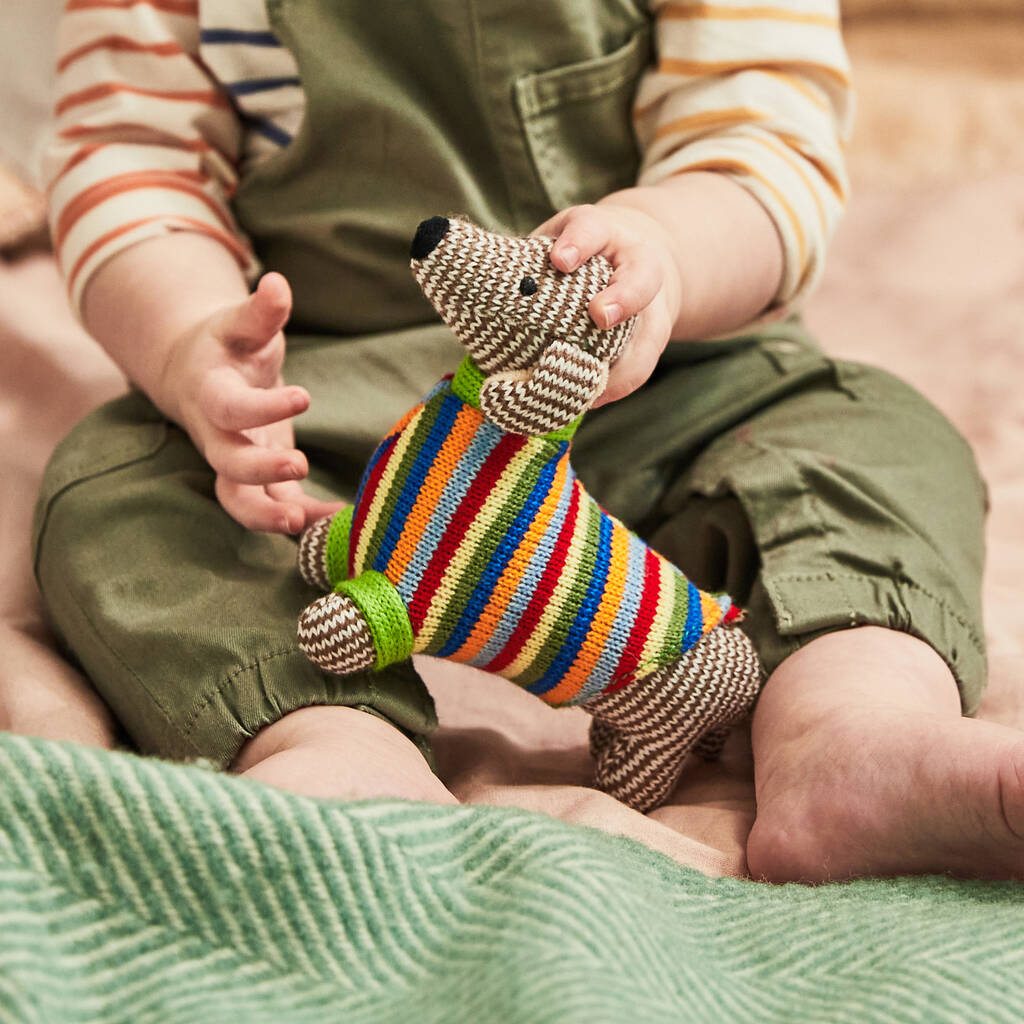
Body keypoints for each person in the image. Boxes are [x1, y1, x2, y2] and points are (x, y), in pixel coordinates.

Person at [30, 0, 1017, 883]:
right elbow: (131, 162)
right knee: (119, 482)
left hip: (668, 371)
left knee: (873, 432)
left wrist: (664, 254)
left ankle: (850, 724)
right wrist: (190, 342)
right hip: (328, 408)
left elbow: (765, 138)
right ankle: (328, 737)